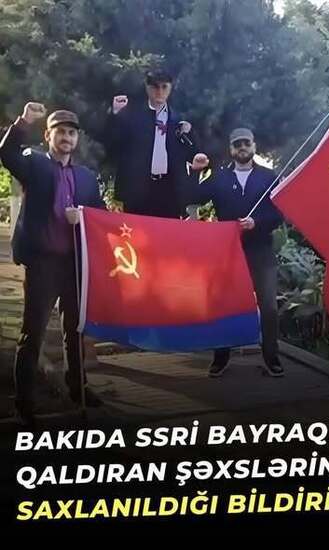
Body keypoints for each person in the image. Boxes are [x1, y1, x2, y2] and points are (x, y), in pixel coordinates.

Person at [0, 102, 105, 424]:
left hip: (74, 264)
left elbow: (101, 217)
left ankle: (78, 388)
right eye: (60, 132)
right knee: (33, 333)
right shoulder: (34, 163)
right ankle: (25, 403)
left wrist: (83, 217)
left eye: (72, 133)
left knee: (76, 329)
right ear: (48, 136)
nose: (66, 137)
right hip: (42, 264)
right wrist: (24, 121)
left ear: (77, 139)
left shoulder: (86, 177)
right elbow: (6, 154)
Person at [188, 128, 284, 377]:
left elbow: (278, 214)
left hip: (260, 250)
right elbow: (192, 196)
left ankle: (271, 356)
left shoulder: (268, 177)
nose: (242, 148)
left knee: (269, 307)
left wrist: (257, 222)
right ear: (231, 149)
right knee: (224, 305)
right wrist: (196, 171)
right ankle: (221, 357)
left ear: (254, 146)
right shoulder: (219, 178)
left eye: (246, 143)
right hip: (228, 252)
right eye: (237, 144)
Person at [104, 69, 196, 218]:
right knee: (137, 232)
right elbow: (112, 144)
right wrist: (115, 115)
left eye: (164, 87)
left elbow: (190, 152)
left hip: (169, 191)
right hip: (138, 190)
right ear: (147, 87)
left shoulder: (178, 119)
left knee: (166, 231)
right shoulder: (132, 116)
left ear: (170, 88)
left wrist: (195, 151)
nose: (160, 92)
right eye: (155, 87)